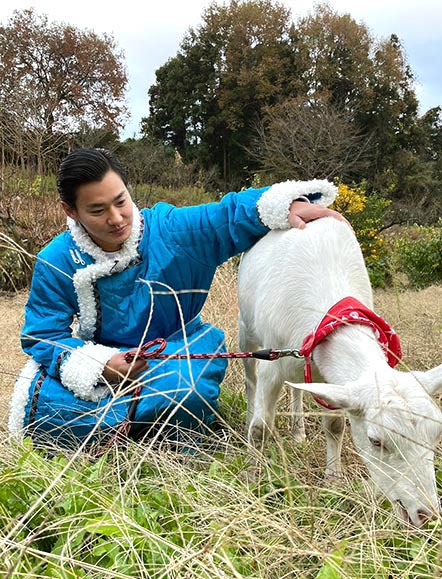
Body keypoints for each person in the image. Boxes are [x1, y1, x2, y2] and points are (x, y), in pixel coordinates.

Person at [8, 147, 344, 452]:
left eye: (121, 201)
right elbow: (42, 334)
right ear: (71, 210)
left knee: (186, 391)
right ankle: (147, 426)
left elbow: (225, 216)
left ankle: (126, 427)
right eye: (98, 210)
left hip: (175, 351)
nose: (116, 218)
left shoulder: (169, 230)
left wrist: (287, 205)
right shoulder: (56, 259)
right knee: (39, 405)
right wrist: (100, 365)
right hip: (103, 360)